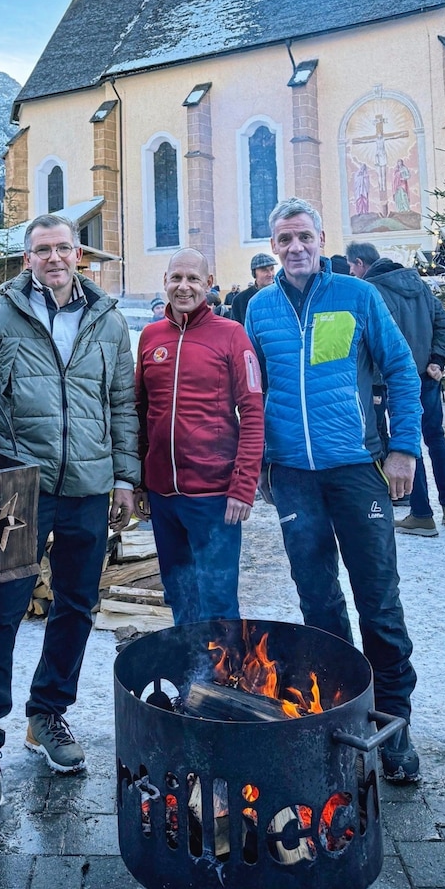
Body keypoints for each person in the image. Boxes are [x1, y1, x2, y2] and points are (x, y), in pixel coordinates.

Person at [0, 213, 139, 810]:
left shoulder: (107, 320)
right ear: (26, 256)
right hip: (16, 490)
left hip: (87, 483)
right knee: (2, 609)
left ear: (77, 254)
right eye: (41, 249)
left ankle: (48, 714)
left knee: (77, 605)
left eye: (63, 248)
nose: (53, 258)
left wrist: (126, 476)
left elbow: (123, 403)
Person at [246, 199, 422, 784]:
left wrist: (403, 448)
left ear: (322, 239)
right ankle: (338, 707)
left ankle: (393, 721)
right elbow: (257, 391)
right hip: (294, 474)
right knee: (318, 601)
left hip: (356, 468)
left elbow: (400, 368)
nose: (294, 247)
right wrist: (264, 463)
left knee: (378, 600)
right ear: (273, 247)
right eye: (283, 239)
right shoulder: (260, 309)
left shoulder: (357, 296)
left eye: (303, 236)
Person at [135, 248, 264, 624]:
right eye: (176, 278)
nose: (184, 286)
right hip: (163, 497)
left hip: (214, 497)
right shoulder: (150, 336)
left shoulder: (231, 335)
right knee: (179, 596)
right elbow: (139, 411)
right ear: (165, 282)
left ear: (208, 284)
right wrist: (143, 481)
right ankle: (190, 675)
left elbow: (253, 412)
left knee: (219, 602)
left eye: (193, 279)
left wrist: (243, 485)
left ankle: (225, 679)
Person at [346, 241, 445, 536]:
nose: (350, 272)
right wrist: (438, 358)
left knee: (405, 442)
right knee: (435, 439)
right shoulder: (419, 285)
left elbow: (368, 347)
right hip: (426, 376)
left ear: (360, 265)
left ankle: (421, 514)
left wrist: (371, 384)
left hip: (390, 383)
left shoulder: (370, 291)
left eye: (351, 267)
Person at [231, 252, 277, 325]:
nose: (270, 274)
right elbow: (236, 329)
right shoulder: (240, 300)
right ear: (254, 273)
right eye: (264, 270)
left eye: (272, 269)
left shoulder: (283, 294)